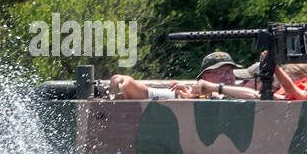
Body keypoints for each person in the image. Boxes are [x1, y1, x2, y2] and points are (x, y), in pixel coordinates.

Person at [111, 51, 259, 100]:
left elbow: (256, 96)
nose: (228, 77)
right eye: (220, 72)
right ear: (204, 78)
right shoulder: (187, 93)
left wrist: (213, 88)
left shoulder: (243, 90)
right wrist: (123, 80)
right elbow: (143, 92)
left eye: (229, 71)